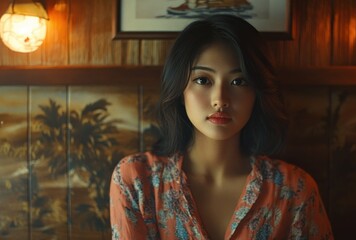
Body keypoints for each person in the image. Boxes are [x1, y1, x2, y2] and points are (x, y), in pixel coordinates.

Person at [109, 14, 334, 240]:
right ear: (180, 88)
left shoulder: (294, 189)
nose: (220, 99)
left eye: (238, 81)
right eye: (203, 80)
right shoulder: (136, 180)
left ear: (257, 92)